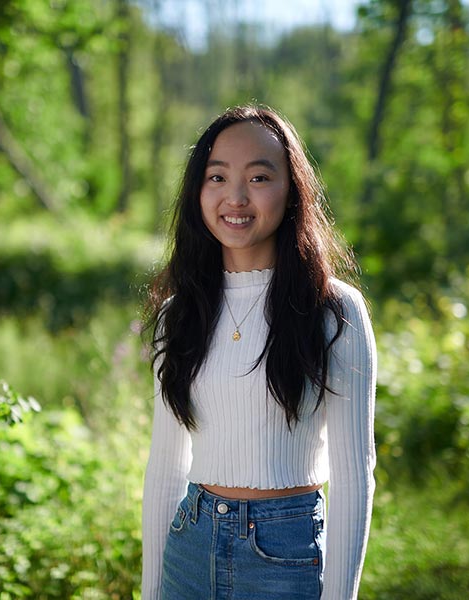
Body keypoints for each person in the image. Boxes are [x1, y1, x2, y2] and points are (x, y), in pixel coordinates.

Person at [142, 105, 376, 600]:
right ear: (197, 191)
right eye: (217, 176)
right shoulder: (179, 314)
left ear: (292, 190)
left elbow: (355, 477)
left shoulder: (334, 311)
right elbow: (166, 465)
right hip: (189, 543)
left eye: (259, 176)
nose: (236, 197)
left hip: (284, 555)